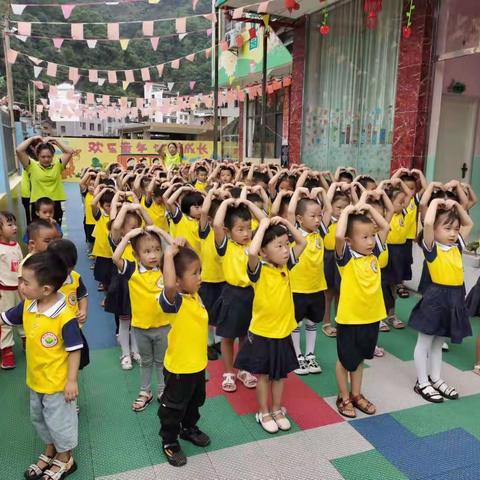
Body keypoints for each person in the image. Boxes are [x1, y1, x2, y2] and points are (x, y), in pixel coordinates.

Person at [0, 252, 83, 480]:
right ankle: (50, 449)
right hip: (35, 379)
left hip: (57, 383)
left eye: (26, 282)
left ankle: (66, 458)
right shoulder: (28, 305)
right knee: (39, 418)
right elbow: (5, 317)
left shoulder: (64, 317)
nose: (20, 286)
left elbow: (75, 349)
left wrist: (71, 381)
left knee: (60, 421)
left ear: (46, 289)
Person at [234, 217, 306, 433]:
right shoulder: (259, 270)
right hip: (263, 333)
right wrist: (263, 226)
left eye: (286, 245)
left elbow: (302, 242)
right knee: (264, 376)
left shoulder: (286, 266)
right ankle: (264, 411)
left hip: (283, 332)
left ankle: (276, 409)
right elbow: (252, 252)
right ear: (265, 252)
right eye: (279, 246)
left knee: (279, 374)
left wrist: (285, 222)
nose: (286, 250)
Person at [409, 198, 473, 403]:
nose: (453, 233)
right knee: (425, 342)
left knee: (438, 342)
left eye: (455, 229)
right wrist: (436, 202)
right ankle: (422, 382)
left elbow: (469, 223)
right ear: (435, 231)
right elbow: (427, 223)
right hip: (436, 299)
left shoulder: (457, 246)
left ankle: (435, 378)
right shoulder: (432, 248)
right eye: (447, 228)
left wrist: (455, 206)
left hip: (454, 299)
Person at [334, 201, 390, 418]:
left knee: (359, 359)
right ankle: (343, 396)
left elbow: (384, 227)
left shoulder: (374, 254)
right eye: (364, 237)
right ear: (350, 241)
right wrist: (347, 212)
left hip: (371, 317)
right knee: (345, 359)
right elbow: (338, 237)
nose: (370, 241)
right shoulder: (346, 259)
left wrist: (368, 209)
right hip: (350, 320)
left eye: (371, 236)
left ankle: (356, 394)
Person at [158, 243, 211, 467]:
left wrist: (184, 247)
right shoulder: (175, 301)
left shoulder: (194, 295)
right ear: (178, 281)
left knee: (195, 401)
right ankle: (169, 440)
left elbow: (187, 263)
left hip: (197, 365)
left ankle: (189, 428)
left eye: (200, 271)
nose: (200, 277)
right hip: (179, 368)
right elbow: (169, 282)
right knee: (174, 406)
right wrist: (168, 254)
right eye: (195, 273)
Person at [113, 226, 172, 412]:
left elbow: (176, 247)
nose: (153, 255)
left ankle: (164, 390)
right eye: (147, 251)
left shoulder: (165, 268)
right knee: (146, 361)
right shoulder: (131, 270)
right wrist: (129, 235)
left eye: (156, 249)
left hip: (164, 325)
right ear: (136, 255)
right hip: (140, 327)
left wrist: (161, 232)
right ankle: (145, 391)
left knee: (162, 361)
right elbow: (115, 258)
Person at [212, 194, 267, 393]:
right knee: (228, 337)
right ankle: (229, 372)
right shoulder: (226, 246)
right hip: (232, 295)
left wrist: (249, 203)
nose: (246, 233)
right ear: (229, 231)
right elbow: (217, 225)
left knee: (246, 336)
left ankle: (243, 369)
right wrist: (226, 203)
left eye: (248, 228)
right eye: (240, 229)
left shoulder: (254, 246)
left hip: (252, 295)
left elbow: (264, 221)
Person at [287, 186, 331, 375]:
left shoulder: (319, 231)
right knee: (296, 324)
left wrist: (321, 191)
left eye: (318, 216)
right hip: (297, 288)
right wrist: (298, 192)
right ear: (299, 218)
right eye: (312, 216)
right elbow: (290, 210)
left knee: (312, 322)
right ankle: (297, 356)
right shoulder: (293, 232)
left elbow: (328, 210)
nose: (317, 219)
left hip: (316, 287)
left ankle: (310, 355)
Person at [16, 136, 74, 225]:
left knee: (55, 233)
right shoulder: (31, 166)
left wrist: (55, 140)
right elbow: (19, 150)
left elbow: (69, 152)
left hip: (55, 205)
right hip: (38, 205)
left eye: (49, 157)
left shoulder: (58, 166)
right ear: (37, 156)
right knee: (38, 234)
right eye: (43, 157)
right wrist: (33, 139)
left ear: (52, 156)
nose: (46, 159)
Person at [0, 211, 23, 369]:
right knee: (5, 321)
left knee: (24, 315)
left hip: (21, 289)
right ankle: (7, 351)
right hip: (4, 291)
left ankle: (26, 339)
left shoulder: (17, 245)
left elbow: (22, 266)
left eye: (14, 224)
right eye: (10, 225)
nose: (15, 227)